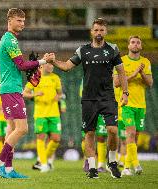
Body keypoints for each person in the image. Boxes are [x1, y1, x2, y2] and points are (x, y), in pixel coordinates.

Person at [50, 18, 128, 179]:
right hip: (88, 99)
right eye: (96, 30)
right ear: (91, 32)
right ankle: (92, 168)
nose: (99, 33)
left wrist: (125, 93)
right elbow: (66, 66)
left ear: (105, 32)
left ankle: (111, 162)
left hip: (108, 97)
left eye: (102, 30)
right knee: (89, 134)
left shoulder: (113, 49)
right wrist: (53, 61)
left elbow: (121, 72)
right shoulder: (83, 50)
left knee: (113, 130)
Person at [0, 8, 54, 178]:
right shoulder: (10, 40)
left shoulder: (8, 39)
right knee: (22, 129)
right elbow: (21, 65)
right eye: (19, 20)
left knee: (12, 128)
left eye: (24, 21)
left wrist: (36, 63)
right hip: (12, 89)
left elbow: (19, 65)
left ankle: (9, 169)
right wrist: (42, 61)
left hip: (8, 89)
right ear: (10, 20)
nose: (22, 24)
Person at [114, 35, 153, 176]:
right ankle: (134, 165)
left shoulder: (146, 62)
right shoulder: (121, 61)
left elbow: (150, 83)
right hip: (126, 104)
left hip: (141, 105)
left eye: (138, 42)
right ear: (129, 45)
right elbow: (117, 83)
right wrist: (134, 73)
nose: (135, 44)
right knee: (129, 133)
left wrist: (141, 72)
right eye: (132, 42)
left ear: (141, 46)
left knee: (135, 138)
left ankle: (128, 166)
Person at [23, 63, 63, 173]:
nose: (52, 67)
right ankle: (44, 164)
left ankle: (42, 159)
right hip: (40, 114)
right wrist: (35, 95)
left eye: (52, 65)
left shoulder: (55, 78)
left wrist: (58, 97)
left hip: (54, 113)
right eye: (49, 65)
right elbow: (24, 93)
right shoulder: (35, 77)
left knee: (56, 139)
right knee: (41, 137)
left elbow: (60, 94)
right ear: (42, 66)